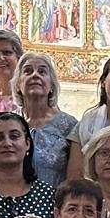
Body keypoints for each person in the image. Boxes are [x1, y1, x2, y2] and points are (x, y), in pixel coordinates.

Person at [15, 51, 77, 186]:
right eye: (27, 71)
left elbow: (74, 181)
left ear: (51, 86)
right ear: (18, 84)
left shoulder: (70, 126)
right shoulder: (9, 123)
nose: (35, 75)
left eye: (42, 72)